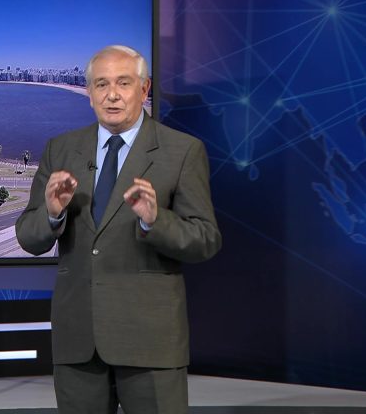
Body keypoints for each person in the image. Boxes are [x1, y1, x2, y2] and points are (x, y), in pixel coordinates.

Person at [15, 45, 222, 414]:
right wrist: (52, 213)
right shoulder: (60, 150)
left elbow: (205, 240)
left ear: (144, 89)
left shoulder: (182, 151)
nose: (112, 95)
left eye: (123, 83)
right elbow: (28, 237)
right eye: (101, 84)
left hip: (150, 343)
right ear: (89, 93)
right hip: (78, 343)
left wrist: (155, 220)